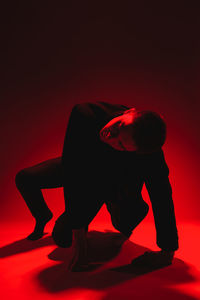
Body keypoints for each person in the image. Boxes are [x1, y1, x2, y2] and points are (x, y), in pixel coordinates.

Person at [15, 101, 178, 270]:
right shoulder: (86, 114)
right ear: (130, 112)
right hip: (86, 173)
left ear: (133, 152)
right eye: (120, 126)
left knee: (124, 224)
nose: (109, 135)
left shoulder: (150, 155)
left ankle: (133, 208)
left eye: (121, 144)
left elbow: (162, 195)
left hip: (117, 184)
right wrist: (80, 238)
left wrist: (167, 250)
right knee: (61, 236)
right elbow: (73, 172)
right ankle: (43, 216)